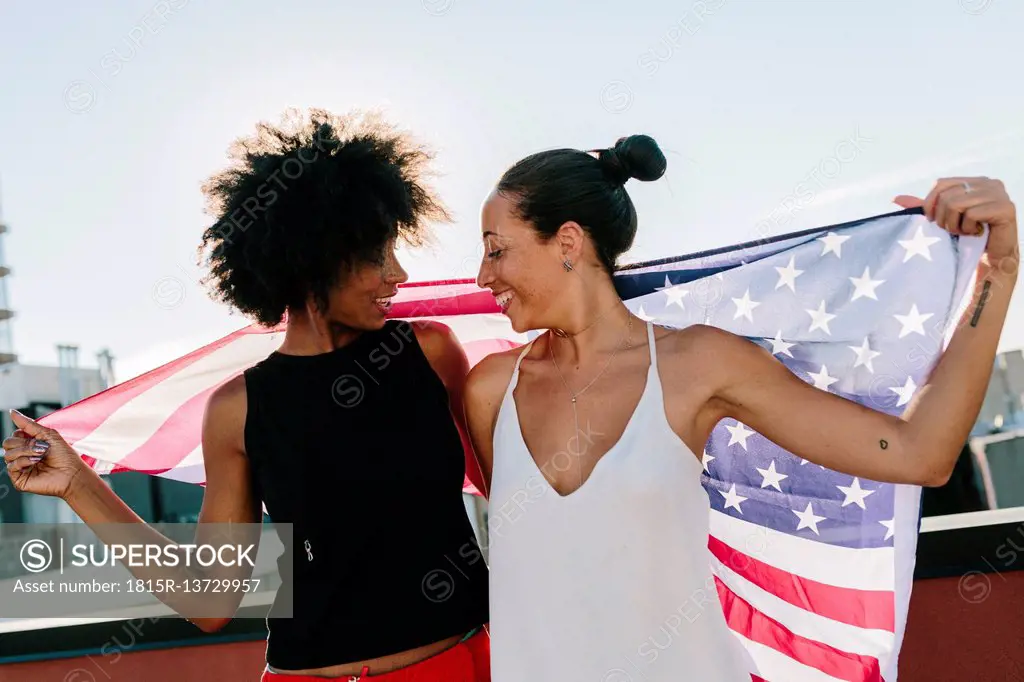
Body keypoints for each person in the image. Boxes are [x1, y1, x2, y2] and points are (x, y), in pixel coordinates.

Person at [462, 134, 1019, 681]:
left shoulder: (698, 364)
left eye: (496, 249)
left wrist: (997, 273)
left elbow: (919, 454)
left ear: (566, 242)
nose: (484, 276)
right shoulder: (490, 392)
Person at [3, 108, 491, 681]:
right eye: (377, 254)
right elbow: (211, 600)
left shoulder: (431, 353)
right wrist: (79, 486)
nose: (399, 273)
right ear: (315, 261)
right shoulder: (238, 410)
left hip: (462, 662)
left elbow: (509, 495)